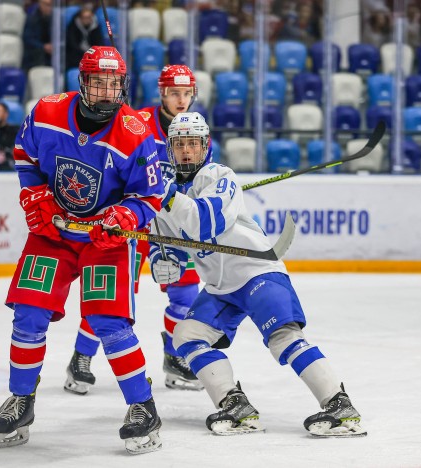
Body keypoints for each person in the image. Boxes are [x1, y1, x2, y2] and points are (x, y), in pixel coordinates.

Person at [0, 46, 165, 455]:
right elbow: (24, 155)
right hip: (54, 232)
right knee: (29, 313)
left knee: (108, 323)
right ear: (82, 82)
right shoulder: (47, 111)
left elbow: (151, 193)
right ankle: (21, 401)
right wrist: (34, 196)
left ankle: (143, 407)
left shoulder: (137, 132)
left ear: (123, 86)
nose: (106, 91)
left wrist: (124, 216)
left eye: (114, 84)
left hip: (105, 240)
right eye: (98, 83)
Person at [149, 111, 367, 437]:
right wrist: (162, 262)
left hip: (257, 272)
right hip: (221, 287)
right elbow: (168, 246)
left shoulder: (219, 176)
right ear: (170, 148)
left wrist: (167, 197)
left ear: (205, 146)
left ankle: (340, 406)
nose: (187, 151)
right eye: (180, 144)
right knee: (187, 336)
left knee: (284, 339)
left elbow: (205, 223)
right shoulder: (163, 200)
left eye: (193, 143)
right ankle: (235, 405)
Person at [64, 64, 204, 396]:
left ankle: (174, 355)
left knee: (186, 292)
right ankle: (81, 358)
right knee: (111, 295)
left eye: (186, 94)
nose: (181, 100)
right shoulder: (135, 123)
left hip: (168, 225)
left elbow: (196, 179)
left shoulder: (196, 131)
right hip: (132, 220)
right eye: (174, 93)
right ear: (162, 93)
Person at [66, 5, 104, 70]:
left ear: (92, 17)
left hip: (92, 57)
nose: (86, 20)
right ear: (80, 17)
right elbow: (72, 44)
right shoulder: (73, 26)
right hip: (76, 57)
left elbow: (99, 43)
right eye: (84, 17)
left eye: (88, 17)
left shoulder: (96, 27)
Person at [22, 0, 52, 71]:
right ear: (40, 4)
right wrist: (43, 46)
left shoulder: (54, 19)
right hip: (33, 57)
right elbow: (27, 38)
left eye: (50, 5)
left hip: (49, 58)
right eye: (46, 5)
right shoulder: (32, 18)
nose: (49, 8)